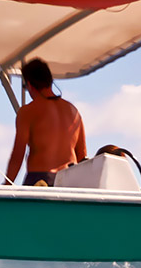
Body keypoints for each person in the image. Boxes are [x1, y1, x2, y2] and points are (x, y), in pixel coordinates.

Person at [5, 58, 86, 186]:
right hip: (70, 180)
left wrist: (7, 184)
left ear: (30, 84)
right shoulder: (73, 111)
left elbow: (18, 155)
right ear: (50, 81)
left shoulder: (28, 111)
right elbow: (82, 157)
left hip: (41, 180)